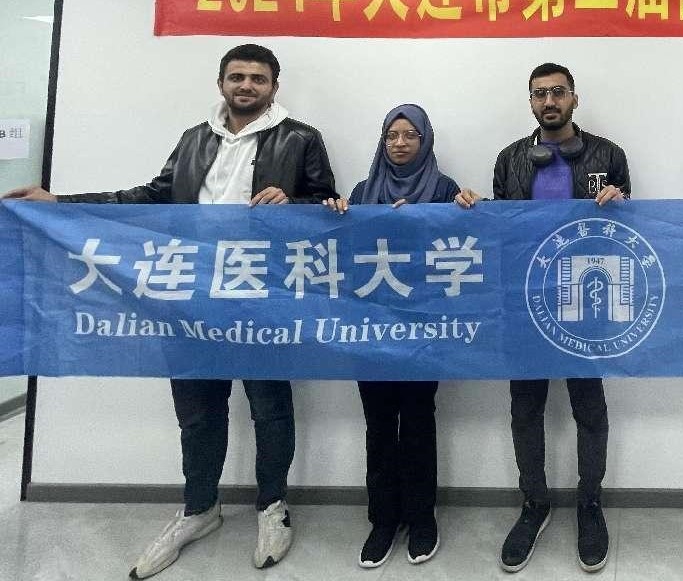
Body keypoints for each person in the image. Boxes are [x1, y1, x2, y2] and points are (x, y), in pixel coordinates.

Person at [3, 44, 337, 579]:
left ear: (275, 86)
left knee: (269, 405)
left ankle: (273, 507)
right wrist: (61, 203)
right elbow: (152, 196)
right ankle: (199, 509)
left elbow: (329, 208)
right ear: (221, 82)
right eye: (236, 77)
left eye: (257, 78)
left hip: (262, 296)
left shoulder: (301, 138)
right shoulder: (194, 138)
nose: (246, 86)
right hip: (190, 296)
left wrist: (293, 202)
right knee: (197, 408)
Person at [455, 62, 628, 573]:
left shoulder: (608, 155)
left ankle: (589, 502)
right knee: (525, 409)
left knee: (589, 407)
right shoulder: (510, 158)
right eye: (539, 94)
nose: (549, 101)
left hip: (588, 300)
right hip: (525, 301)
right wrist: (476, 207)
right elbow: (503, 227)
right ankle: (534, 502)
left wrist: (620, 202)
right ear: (530, 102)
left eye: (557, 92)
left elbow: (625, 231)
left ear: (574, 97)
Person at [323, 104, 462, 569]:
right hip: (371, 328)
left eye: (409, 135)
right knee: (379, 423)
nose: (400, 144)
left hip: (423, 328)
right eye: (391, 135)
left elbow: (460, 251)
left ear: (425, 140)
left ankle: (422, 517)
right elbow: (345, 254)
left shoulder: (444, 190)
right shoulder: (362, 192)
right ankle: (383, 519)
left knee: (418, 422)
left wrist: (455, 213)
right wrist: (336, 216)